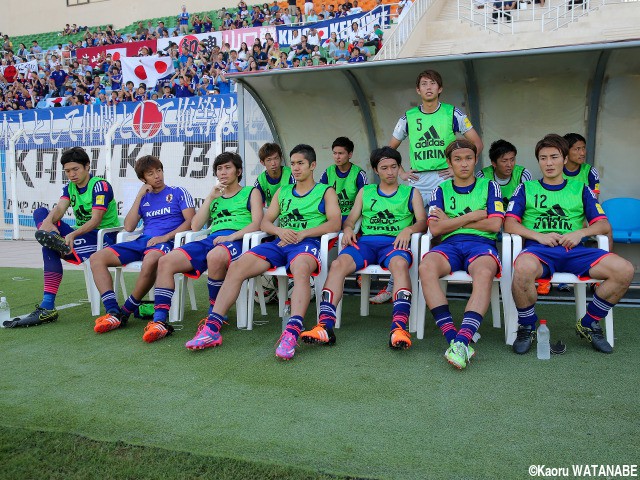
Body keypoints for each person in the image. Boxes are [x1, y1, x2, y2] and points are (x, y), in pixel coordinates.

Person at [186, 144, 341, 360]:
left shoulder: (326, 191)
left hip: (307, 243)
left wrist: (305, 233)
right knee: (238, 266)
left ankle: (292, 332)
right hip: (280, 243)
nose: (296, 168)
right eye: (294, 164)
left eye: (301, 164)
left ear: (312, 165)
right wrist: (279, 230)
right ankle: (212, 328)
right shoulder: (284, 191)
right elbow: (265, 222)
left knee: (301, 267)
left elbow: (335, 223)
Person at [505, 134, 633, 355]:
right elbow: (509, 224)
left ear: (564, 159)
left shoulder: (581, 189)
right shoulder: (527, 188)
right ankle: (527, 325)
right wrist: (538, 236)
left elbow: (603, 225)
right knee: (523, 268)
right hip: (539, 251)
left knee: (625, 270)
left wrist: (580, 233)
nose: (549, 163)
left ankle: (589, 322)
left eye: (554, 157)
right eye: (543, 158)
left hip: (575, 252)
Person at [371, 69, 484, 305]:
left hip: (444, 179)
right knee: (407, 228)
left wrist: (454, 168)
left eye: (433, 83)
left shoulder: (453, 112)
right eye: (424, 84)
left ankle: (437, 285)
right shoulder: (408, 116)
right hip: (418, 180)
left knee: (440, 229)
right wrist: (401, 172)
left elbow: (477, 143)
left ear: (440, 89)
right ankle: (395, 285)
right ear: (418, 90)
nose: (429, 87)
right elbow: (389, 150)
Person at [302, 146, 427, 349]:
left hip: (395, 243)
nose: (390, 172)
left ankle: (399, 328)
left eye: (394, 167)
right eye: (384, 168)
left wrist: (410, 229)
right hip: (367, 243)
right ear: (376, 170)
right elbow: (351, 219)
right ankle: (325, 325)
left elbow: (423, 221)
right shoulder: (365, 191)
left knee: (400, 265)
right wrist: (349, 228)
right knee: (338, 264)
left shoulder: (411, 192)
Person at [147, 152, 263, 343]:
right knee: (166, 261)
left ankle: (215, 314)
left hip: (239, 239)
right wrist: (210, 197)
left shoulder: (251, 192)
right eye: (219, 169)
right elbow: (195, 226)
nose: (223, 172)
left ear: (239, 171)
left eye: (228, 167)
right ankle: (159, 321)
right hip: (212, 239)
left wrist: (231, 236)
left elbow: (257, 223)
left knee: (216, 256)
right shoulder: (215, 195)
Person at [4, 147, 120, 328]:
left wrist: (71, 234)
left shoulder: (100, 185)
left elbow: (96, 220)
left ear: (87, 166)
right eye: (67, 171)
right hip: (82, 235)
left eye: (76, 169)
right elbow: (59, 209)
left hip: (102, 238)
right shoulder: (69, 188)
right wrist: (48, 224)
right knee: (42, 213)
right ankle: (54, 240)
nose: (72, 174)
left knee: (48, 247)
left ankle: (48, 306)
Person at [419, 140, 504, 369]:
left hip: (481, 244)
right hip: (450, 245)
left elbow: (495, 225)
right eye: (457, 159)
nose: (464, 164)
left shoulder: (490, 187)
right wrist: (472, 217)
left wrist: (452, 221)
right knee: (425, 267)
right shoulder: (441, 189)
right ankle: (455, 340)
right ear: (449, 163)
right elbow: (436, 229)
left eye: (468, 158)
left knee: (484, 272)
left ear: (475, 160)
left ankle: (463, 338)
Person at [89, 156, 195, 335]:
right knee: (97, 258)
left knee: (152, 259)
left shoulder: (178, 192)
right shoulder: (144, 199)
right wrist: (139, 196)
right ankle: (113, 311)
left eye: (159, 171)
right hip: (143, 241)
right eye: (151, 173)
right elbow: (129, 227)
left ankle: (126, 310)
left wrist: (165, 237)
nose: (157, 176)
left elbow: (191, 221)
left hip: (168, 242)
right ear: (143, 179)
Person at [319, 136, 367, 222]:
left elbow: (364, 200)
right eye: (334, 153)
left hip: (352, 217)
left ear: (350, 154)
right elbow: (320, 197)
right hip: (332, 216)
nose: (337, 157)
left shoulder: (359, 174)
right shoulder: (327, 172)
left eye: (341, 153)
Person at [476, 139, 531, 210]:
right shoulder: (482, 176)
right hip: (492, 216)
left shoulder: (523, 174)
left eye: (512, 159)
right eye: (504, 161)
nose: (509, 164)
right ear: (494, 163)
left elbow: (526, 203)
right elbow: (480, 204)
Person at [254, 142, 295, 207]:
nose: (273, 163)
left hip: (289, 211)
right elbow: (259, 205)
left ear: (281, 159)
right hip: (271, 214)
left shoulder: (291, 174)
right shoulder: (260, 181)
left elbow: (296, 199)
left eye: (276, 158)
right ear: (262, 162)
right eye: (269, 160)